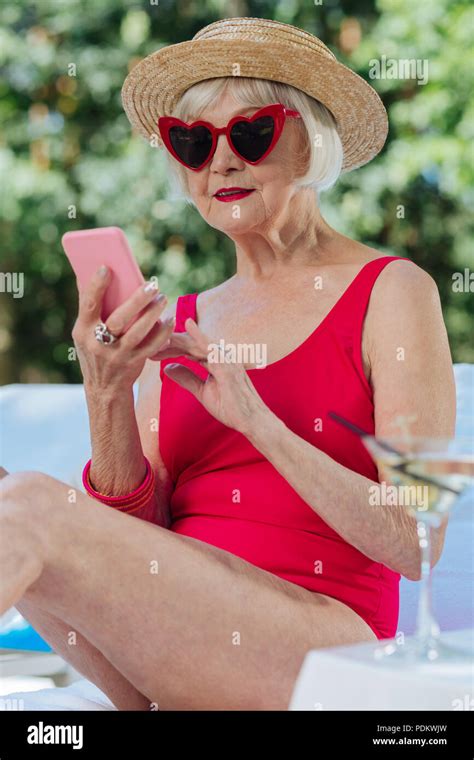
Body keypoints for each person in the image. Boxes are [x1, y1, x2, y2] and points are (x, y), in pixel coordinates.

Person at [0, 17, 455, 711]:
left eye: (251, 132)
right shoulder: (179, 322)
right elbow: (140, 536)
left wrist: (260, 422)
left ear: (312, 139)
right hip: (179, 649)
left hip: (327, 650)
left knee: (28, 503)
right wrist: (108, 393)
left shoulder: (393, 292)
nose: (221, 163)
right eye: (193, 142)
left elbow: (417, 541)